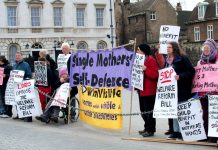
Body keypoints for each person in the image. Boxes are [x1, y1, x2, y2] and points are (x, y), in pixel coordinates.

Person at [165, 42, 195, 140]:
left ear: (174, 48)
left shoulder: (182, 58)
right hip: (171, 90)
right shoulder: (167, 61)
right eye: (167, 47)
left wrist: (180, 76)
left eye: (169, 47)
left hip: (182, 88)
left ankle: (183, 131)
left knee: (182, 110)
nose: (167, 49)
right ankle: (175, 131)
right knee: (174, 111)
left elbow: (191, 71)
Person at [196, 39, 218, 143]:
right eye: (204, 48)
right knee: (205, 113)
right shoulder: (200, 61)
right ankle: (205, 133)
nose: (205, 50)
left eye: (207, 48)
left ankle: (214, 136)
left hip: (215, 93)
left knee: (214, 114)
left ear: (212, 49)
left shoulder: (217, 60)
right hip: (203, 92)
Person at [137, 43, 159, 137]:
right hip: (141, 89)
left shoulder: (151, 60)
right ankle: (146, 127)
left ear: (143, 51)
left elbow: (155, 74)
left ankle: (151, 130)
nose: (137, 51)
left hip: (149, 90)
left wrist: (146, 70)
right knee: (143, 110)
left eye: (138, 50)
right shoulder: (139, 60)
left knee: (149, 111)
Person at [13, 52, 32, 122]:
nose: (17, 57)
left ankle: (23, 115)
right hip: (15, 85)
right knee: (17, 100)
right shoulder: (14, 65)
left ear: (22, 57)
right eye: (16, 56)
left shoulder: (26, 65)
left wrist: (23, 79)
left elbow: (29, 75)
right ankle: (18, 114)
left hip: (23, 85)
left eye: (18, 56)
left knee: (23, 101)